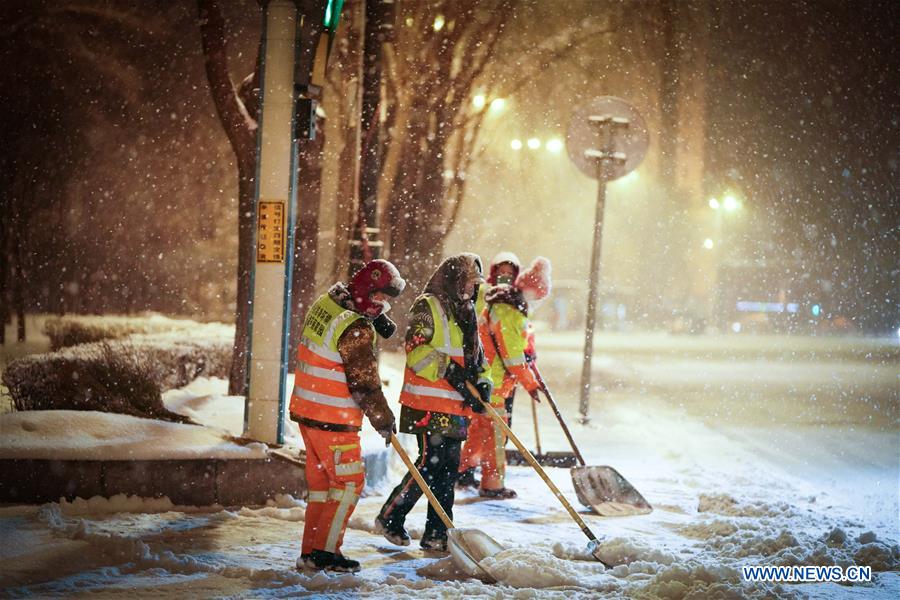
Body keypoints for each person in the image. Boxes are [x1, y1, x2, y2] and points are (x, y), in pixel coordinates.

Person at [290, 259, 406, 573]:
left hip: (307, 411)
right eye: (380, 297)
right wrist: (382, 418)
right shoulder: (354, 328)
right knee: (349, 483)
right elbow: (364, 382)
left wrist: (374, 319)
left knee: (322, 487)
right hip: (333, 418)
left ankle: (311, 552)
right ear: (368, 292)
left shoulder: (328, 304)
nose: (382, 304)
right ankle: (326, 553)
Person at [375, 253, 493, 552]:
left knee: (448, 468)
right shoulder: (428, 306)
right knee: (431, 464)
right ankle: (391, 516)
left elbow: (478, 359)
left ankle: (437, 532)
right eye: (467, 281)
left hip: (455, 406)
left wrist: (483, 383)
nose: (471, 288)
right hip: (427, 403)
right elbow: (416, 352)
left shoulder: (467, 313)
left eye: (474, 284)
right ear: (454, 280)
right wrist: (451, 371)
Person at [458, 256, 552, 498]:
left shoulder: (503, 306)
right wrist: (530, 383)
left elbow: (516, 349)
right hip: (494, 381)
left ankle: (460, 470)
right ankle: (492, 485)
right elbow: (511, 357)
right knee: (495, 436)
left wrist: (528, 359)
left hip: (485, 377)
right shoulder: (509, 311)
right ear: (532, 291)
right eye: (539, 297)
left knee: (479, 430)